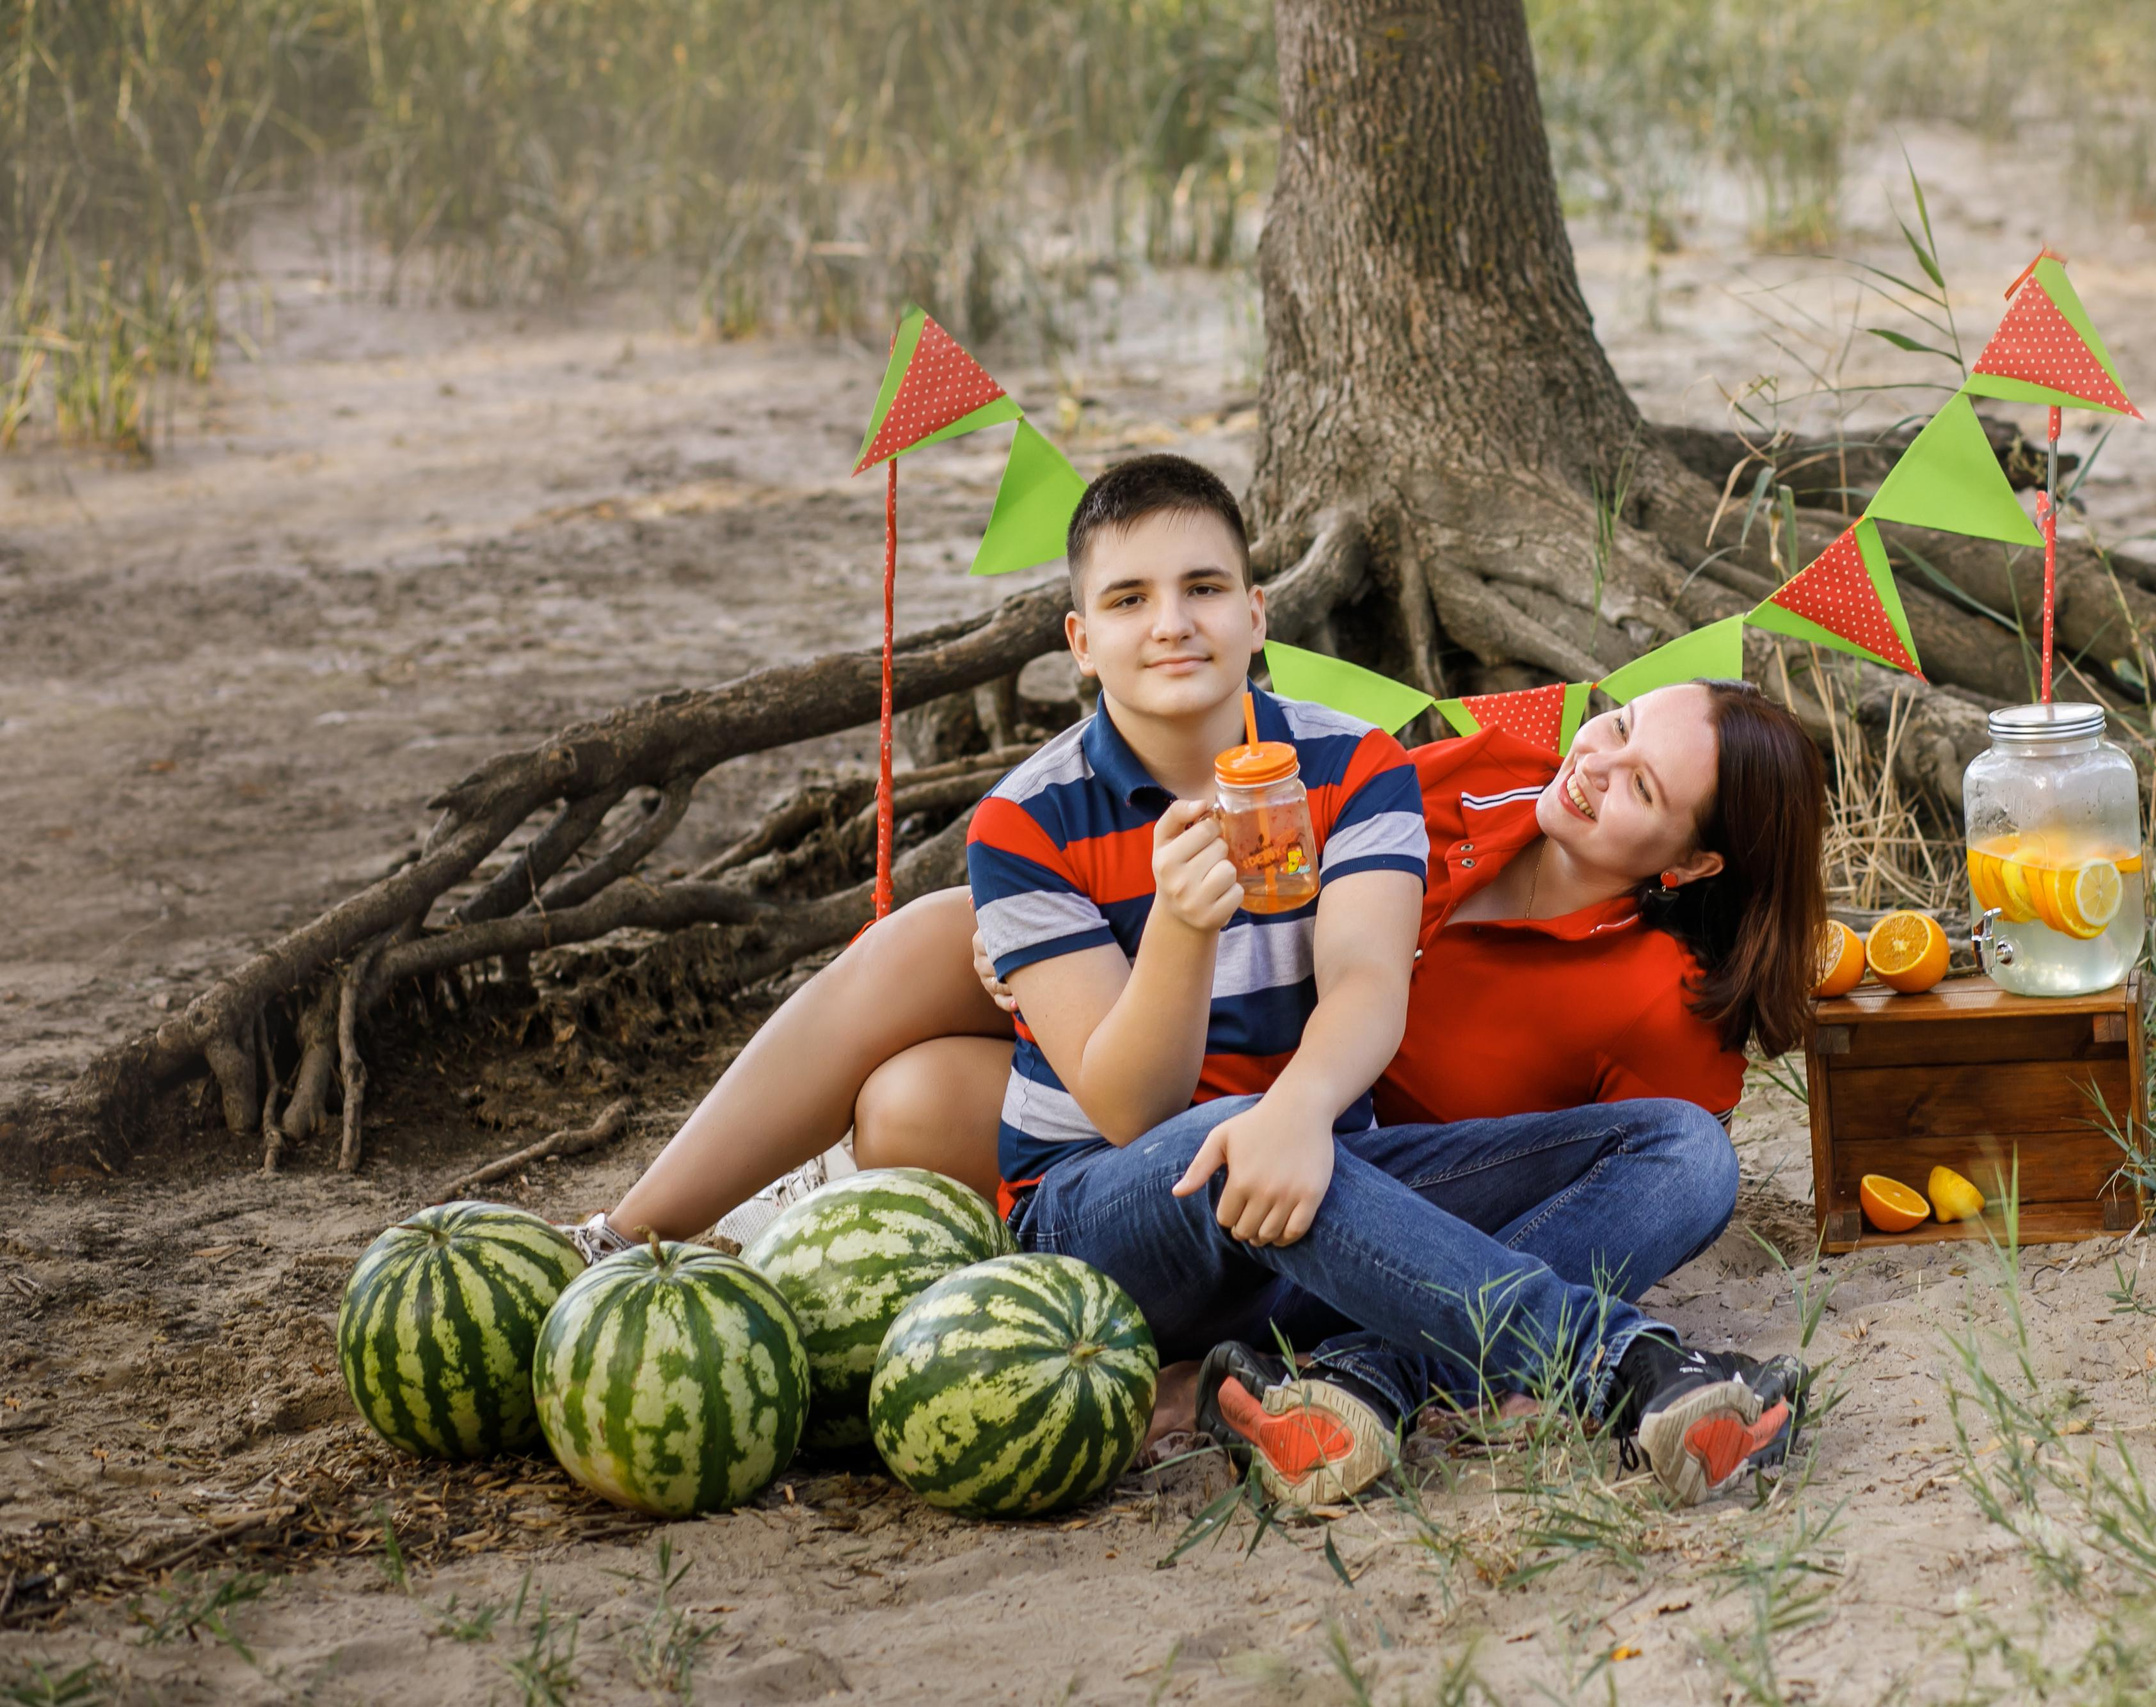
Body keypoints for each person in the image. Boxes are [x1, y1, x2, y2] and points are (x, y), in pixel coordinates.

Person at [583, 454, 1824, 1503]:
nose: (1169, 622)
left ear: (1257, 611)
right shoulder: (1026, 824)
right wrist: (1178, 929)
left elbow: (1364, 988)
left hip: (1324, 1179)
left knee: (1684, 1152)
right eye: (1127, 598)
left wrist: (1296, 1111)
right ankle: (1629, 1373)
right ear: (1080, 640)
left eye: (1202, 589)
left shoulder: (1357, 772)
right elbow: (1130, 1109)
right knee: (1221, 1126)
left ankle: (1350, 1376)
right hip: (1110, 1211)